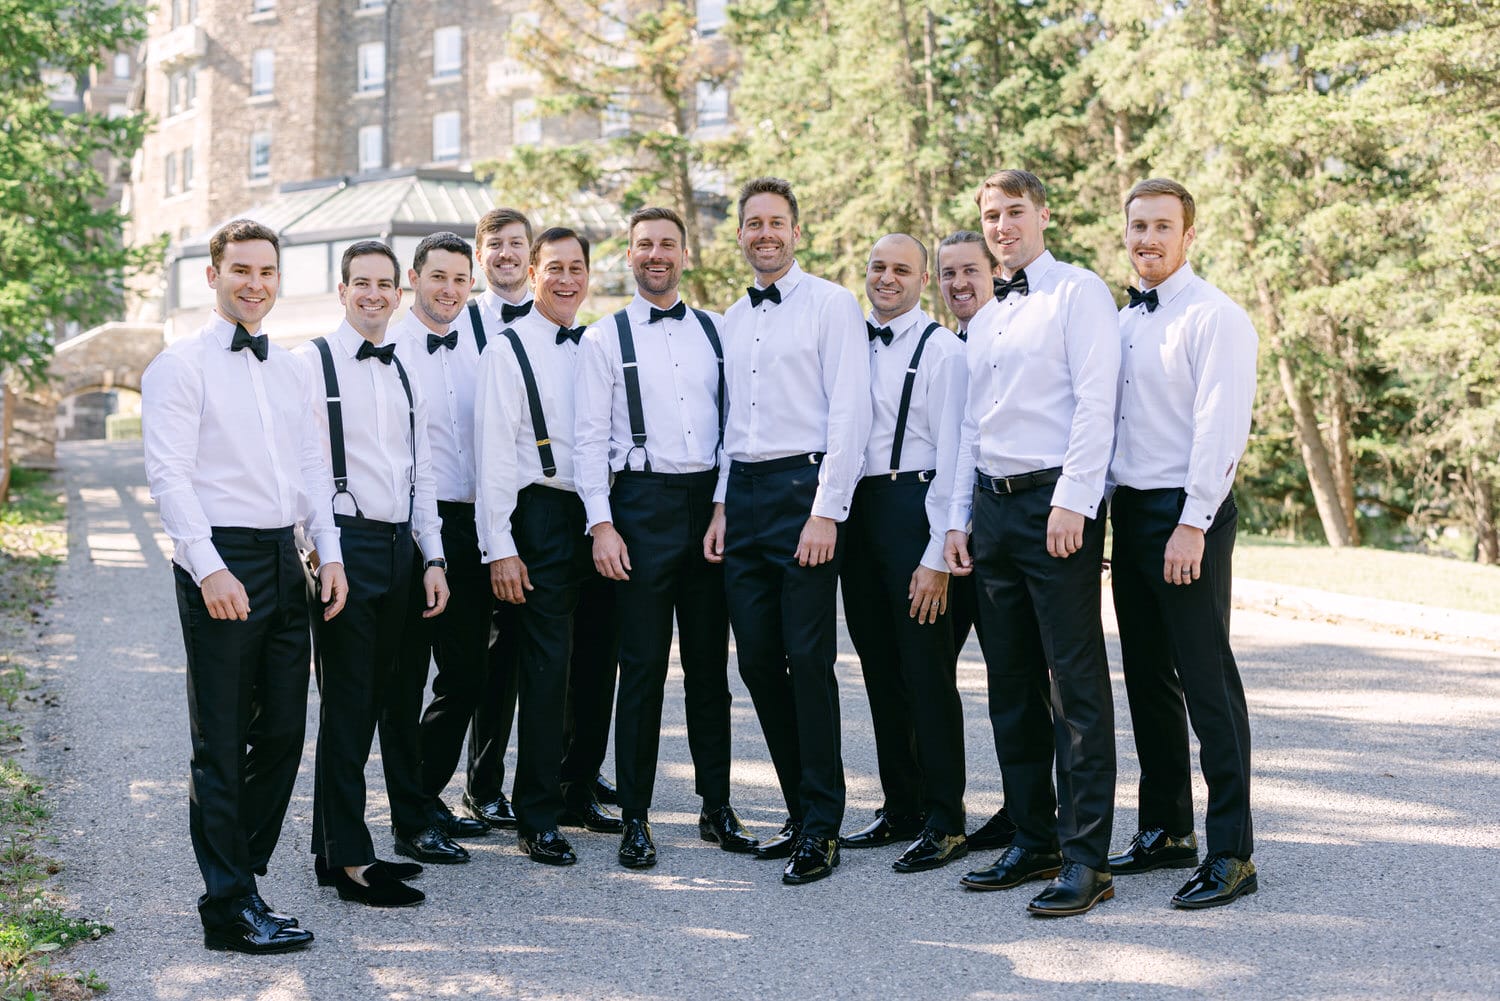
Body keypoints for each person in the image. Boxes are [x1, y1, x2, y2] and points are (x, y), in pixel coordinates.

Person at [142, 218, 346, 952]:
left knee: (285, 732)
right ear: (213, 275)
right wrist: (208, 565)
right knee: (221, 741)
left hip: (287, 559)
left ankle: (242, 875)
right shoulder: (179, 365)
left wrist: (330, 552)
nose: (254, 283)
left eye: (266, 271)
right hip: (220, 559)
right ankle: (228, 905)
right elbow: (169, 475)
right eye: (241, 270)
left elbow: (313, 469)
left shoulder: (293, 368)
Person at [945, 169, 1121, 917]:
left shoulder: (1078, 293)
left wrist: (1075, 498)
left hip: (1055, 507)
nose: (1002, 224)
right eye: (991, 214)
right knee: (1010, 682)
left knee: (1073, 684)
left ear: (1043, 214)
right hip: (992, 510)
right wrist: (959, 518)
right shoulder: (986, 316)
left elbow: (1096, 399)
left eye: (1014, 211)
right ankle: (1032, 836)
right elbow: (968, 427)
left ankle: (1087, 858)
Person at [575, 206, 759, 869]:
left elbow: (736, 428)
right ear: (629, 255)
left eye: (667, 244)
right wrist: (601, 523)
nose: (656, 253)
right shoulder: (603, 338)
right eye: (644, 244)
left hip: (708, 505)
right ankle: (637, 816)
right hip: (639, 508)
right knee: (643, 668)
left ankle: (717, 807)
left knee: (710, 670)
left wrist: (722, 505)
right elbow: (589, 443)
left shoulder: (718, 330)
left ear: (686, 254)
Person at [705, 177, 872, 885]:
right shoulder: (727, 321)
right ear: (739, 235)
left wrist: (827, 510)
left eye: (775, 222)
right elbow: (725, 426)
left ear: (795, 232)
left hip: (804, 491)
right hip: (740, 496)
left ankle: (823, 824)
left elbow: (851, 414)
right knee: (755, 661)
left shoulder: (834, 305)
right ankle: (798, 809)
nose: (764, 233)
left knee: (808, 660)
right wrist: (718, 504)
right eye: (752, 223)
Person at [1105, 178, 1259, 909]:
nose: (1148, 239)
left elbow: (1221, 427)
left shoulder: (1216, 317)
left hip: (1186, 511)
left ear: (1188, 235)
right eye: (1138, 226)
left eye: (1162, 226)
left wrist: (1193, 521)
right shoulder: (1122, 317)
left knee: (1206, 680)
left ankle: (1232, 849)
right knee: (1147, 680)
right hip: (1130, 512)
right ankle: (1166, 829)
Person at [294, 241, 449, 908]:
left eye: (386, 284)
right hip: (345, 549)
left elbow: (423, 474)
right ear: (342, 288)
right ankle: (352, 862)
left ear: (399, 290)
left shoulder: (403, 366)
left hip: (399, 550)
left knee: (383, 697)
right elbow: (301, 472)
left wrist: (434, 556)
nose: (375, 294)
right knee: (350, 704)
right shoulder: (312, 363)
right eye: (363, 283)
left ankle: (338, 846)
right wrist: (323, 553)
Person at [463, 210, 622, 838]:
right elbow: (495, 453)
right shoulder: (506, 349)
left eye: (575, 269)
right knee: (545, 665)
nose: (565, 279)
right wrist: (499, 546)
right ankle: (536, 814)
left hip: (602, 516)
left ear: (587, 277)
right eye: (553, 268)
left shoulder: (597, 343)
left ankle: (577, 786)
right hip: (542, 512)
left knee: (595, 661)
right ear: (533, 274)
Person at [836, 234, 969, 874]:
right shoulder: (847, 343)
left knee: (927, 675)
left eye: (901, 270)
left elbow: (953, 457)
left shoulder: (941, 350)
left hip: (914, 508)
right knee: (879, 670)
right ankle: (901, 806)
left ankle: (946, 819)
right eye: (877, 268)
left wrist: (935, 554)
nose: (887, 278)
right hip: (857, 515)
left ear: (923, 280)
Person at [380, 231, 491, 866]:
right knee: (404, 678)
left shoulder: (483, 344)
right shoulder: (387, 348)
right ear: (414, 281)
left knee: (467, 673)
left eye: (459, 279)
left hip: (473, 524)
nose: (449, 289)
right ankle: (409, 817)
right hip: (412, 525)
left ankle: (420, 793)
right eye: (438, 277)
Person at [934, 230, 1017, 854]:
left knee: (1018, 679)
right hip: (965, 530)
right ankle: (944, 810)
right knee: (991, 678)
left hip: (1014, 526)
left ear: (994, 272)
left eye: (971, 270)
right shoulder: (953, 345)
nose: (959, 283)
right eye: (948, 274)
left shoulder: (1011, 335)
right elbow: (961, 444)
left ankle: (1029, 812)